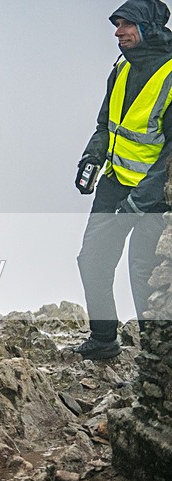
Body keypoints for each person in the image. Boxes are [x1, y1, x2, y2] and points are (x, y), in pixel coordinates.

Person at [75, 0, 172, 360]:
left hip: (154, 197)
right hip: (115, 183)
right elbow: (106, 123)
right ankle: (103, 340)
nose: (118, 33)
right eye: (117, 25)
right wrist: (92, 157)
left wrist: (139, 202)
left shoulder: (170, 73)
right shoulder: (121, 66)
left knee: (144, 276)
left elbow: (170, 156)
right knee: (92, 260)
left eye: (126, 25)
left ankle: (157, 362)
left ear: (148, 28)